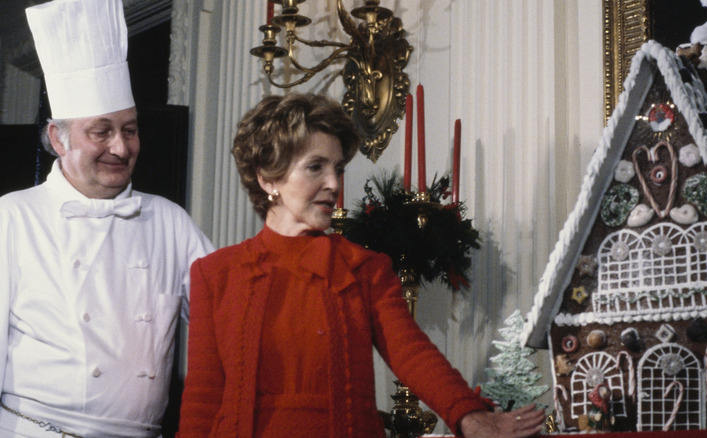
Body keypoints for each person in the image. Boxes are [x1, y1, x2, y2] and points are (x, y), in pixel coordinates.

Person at [177, 93, 546, 438]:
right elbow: (202, 398)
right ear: (267, 177)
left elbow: (411, 353)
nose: (334, 184)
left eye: (338, 168)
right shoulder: (215, 275)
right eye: (315, 167)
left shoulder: (364, 269)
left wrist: (469, 416)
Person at [0, 0, 214, 436]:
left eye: (130, 129)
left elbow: (231, 317)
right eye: (101, 131)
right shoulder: (12, 218)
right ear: (59, 138)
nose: (120, 147)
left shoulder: (171, 222)